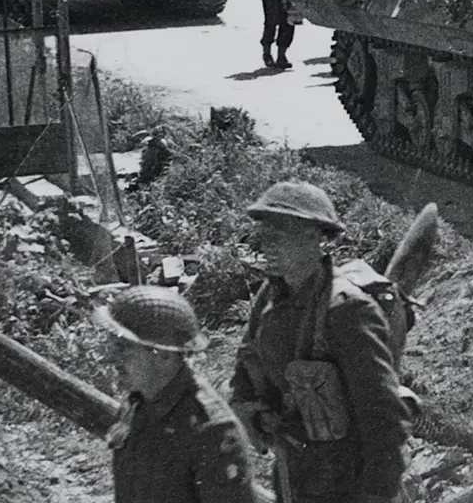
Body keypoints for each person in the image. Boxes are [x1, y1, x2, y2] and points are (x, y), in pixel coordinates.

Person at [230, 182, 410, 503]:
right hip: (295, 471)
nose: (267, 245)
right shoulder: (269, 297)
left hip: (347, 482)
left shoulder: (346, 310)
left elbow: (381, 417)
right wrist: (253, 412)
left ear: (314, 237)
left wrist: (377, 494)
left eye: (279, 235)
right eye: (265, 234)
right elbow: (245, 366)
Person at [94, 285, 257, 503]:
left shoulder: (210, 429)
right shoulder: (137, 405)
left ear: (164, 355)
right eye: (113, 346)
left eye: (123, 347)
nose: (112, 358)